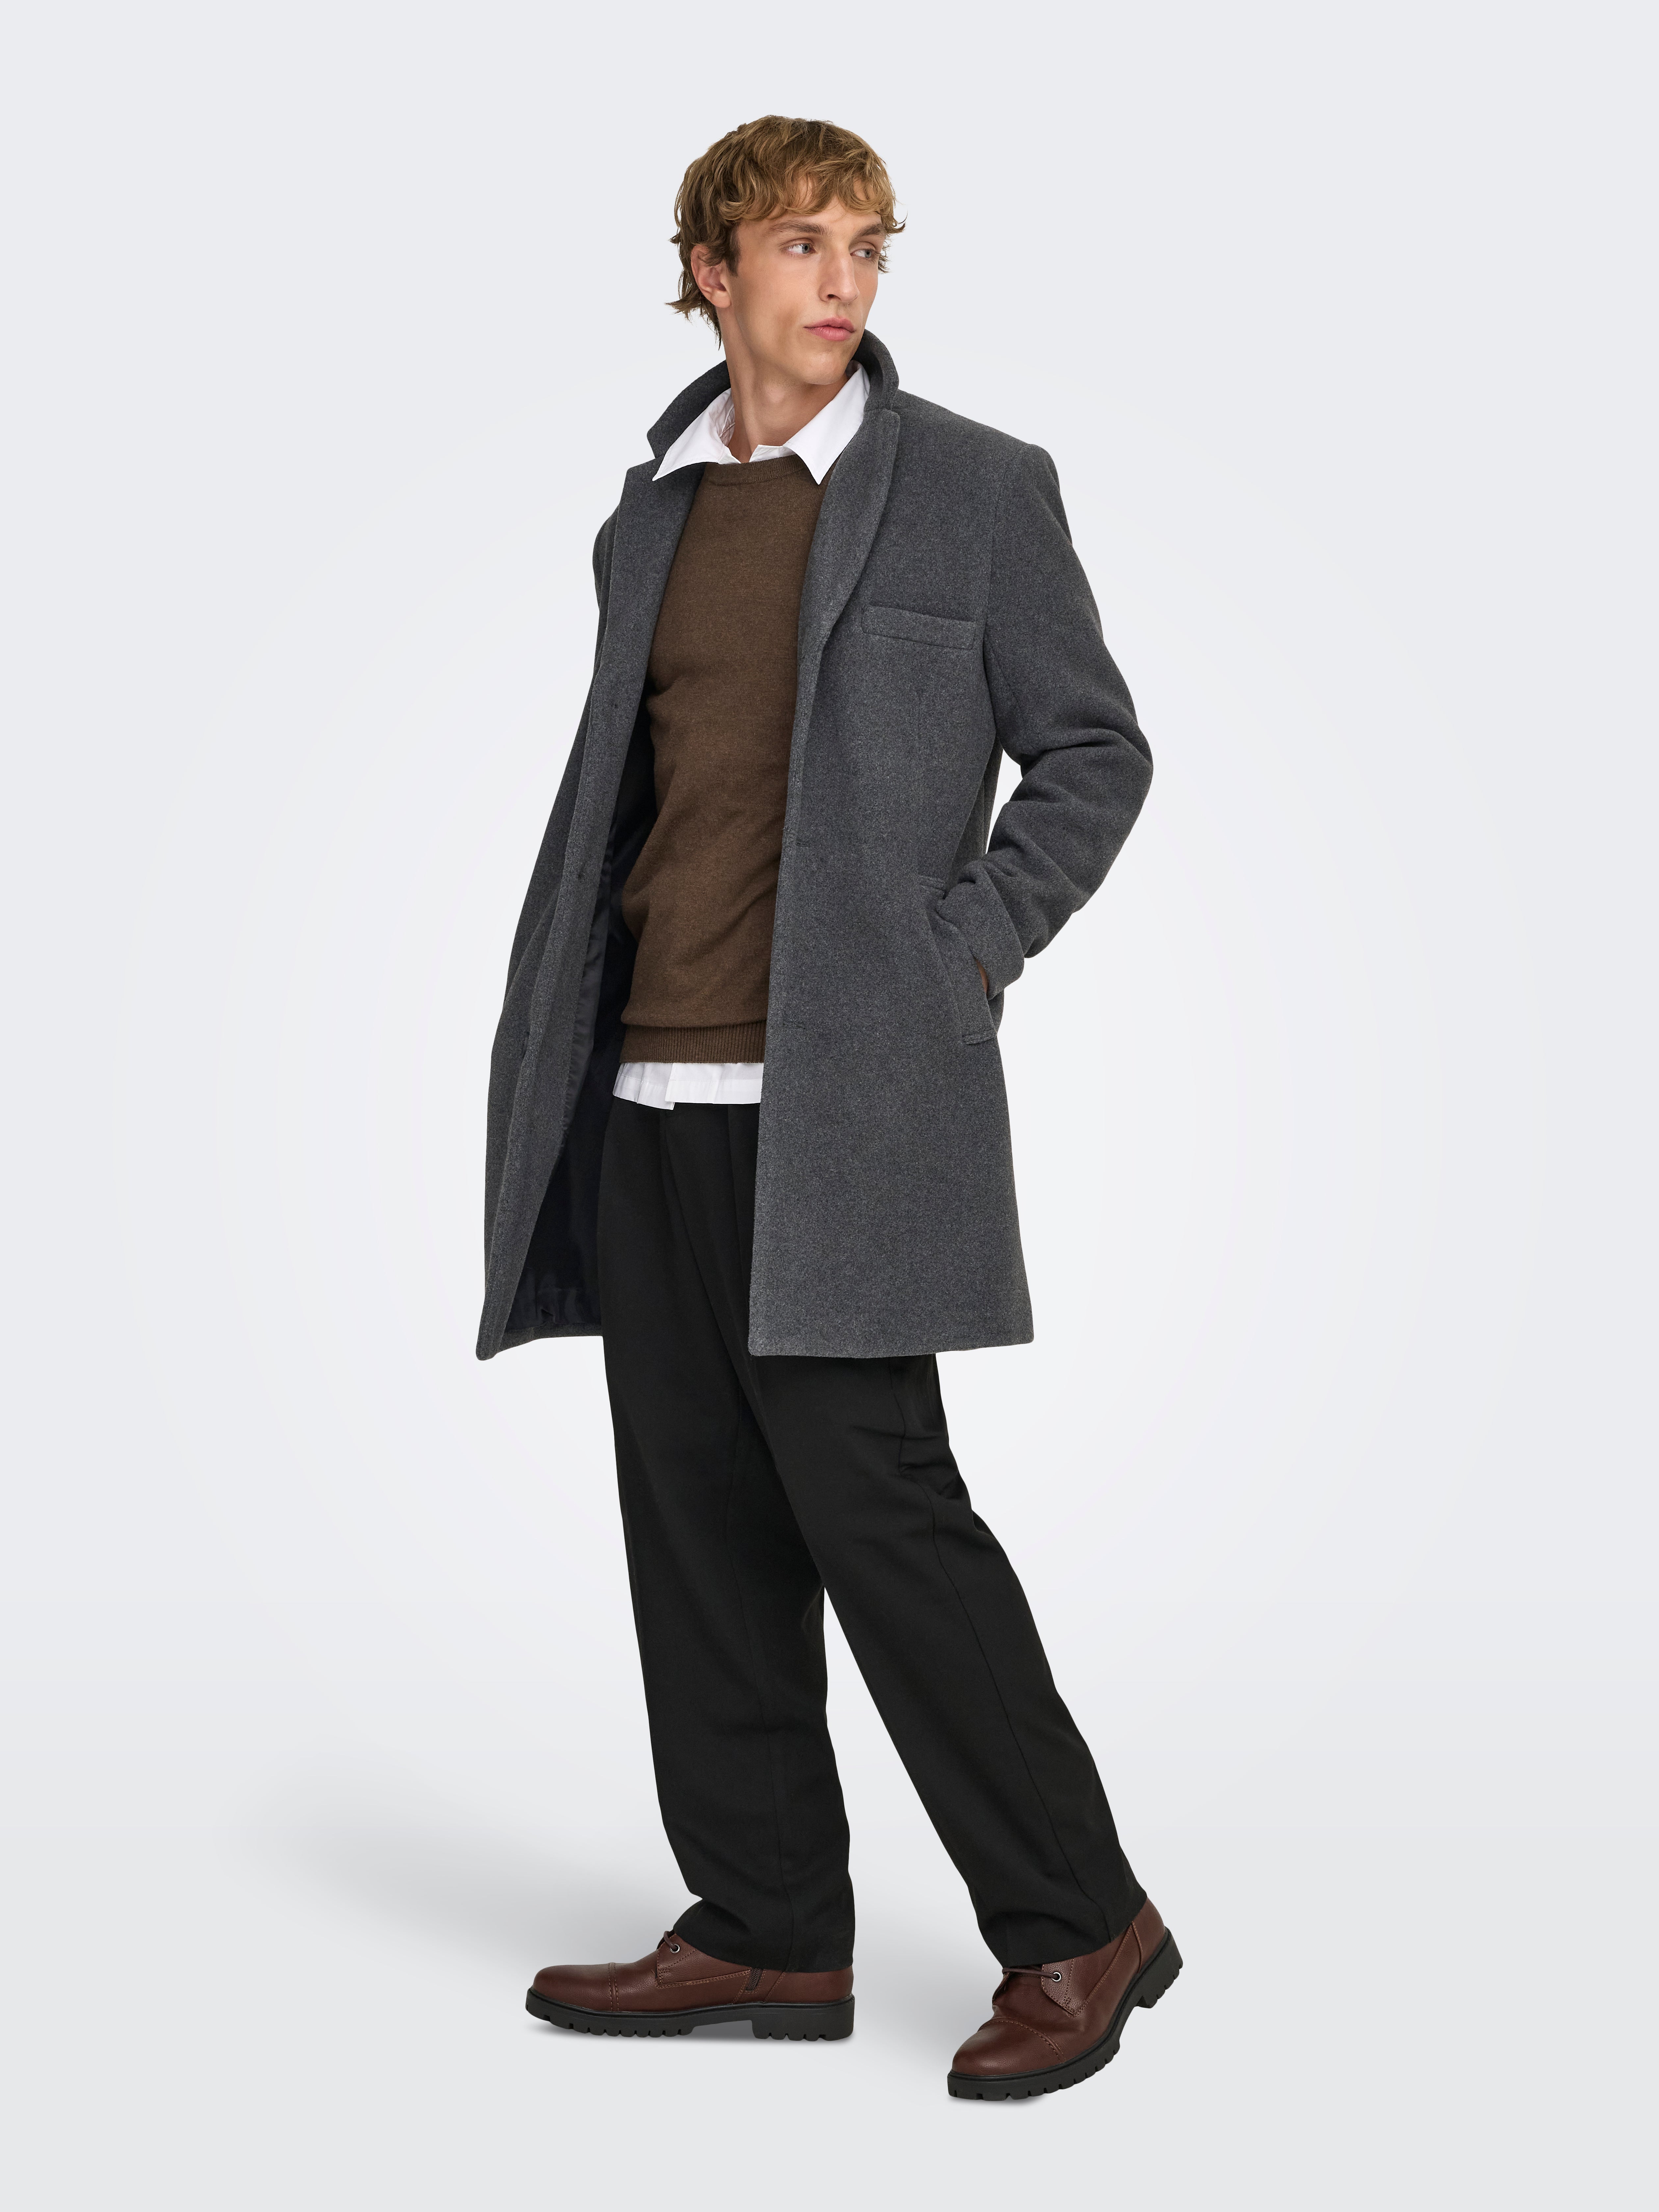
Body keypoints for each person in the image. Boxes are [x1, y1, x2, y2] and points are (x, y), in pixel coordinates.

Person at [478, 114, 1176, 2101]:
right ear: (711, 271)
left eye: (870, 242)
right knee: (696, 1522)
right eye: (801, 241)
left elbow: (1096, 754)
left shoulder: (974, 488)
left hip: (848, 1102)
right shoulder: (651, 515)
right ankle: (768, 1927)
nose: (845, 277)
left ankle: (1083, 1922)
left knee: (883, 1515)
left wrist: (967, 950)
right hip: (649, 1084)